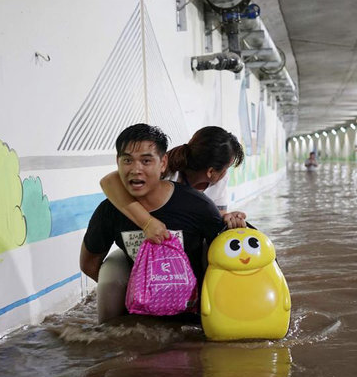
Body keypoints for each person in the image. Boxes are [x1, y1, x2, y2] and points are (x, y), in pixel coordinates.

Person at [80, 124, 226, 323]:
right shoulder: (109, 211)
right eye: (127, 160)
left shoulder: (197, 206)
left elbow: (227, 253)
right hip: (140, 311)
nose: (135, 169)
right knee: (110, 274)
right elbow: (89, 264)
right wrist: (139, 290)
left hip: (190, 311)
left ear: (163, 163)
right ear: (118, 162)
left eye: (146, 160)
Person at [100, 126, 247, 245]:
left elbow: (215, 215)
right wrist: (147, 222)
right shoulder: (165, 170)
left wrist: (229, 217)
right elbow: (109, 181)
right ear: (210, 171)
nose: (137, 169)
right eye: (226, 168)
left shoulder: (218, 181)